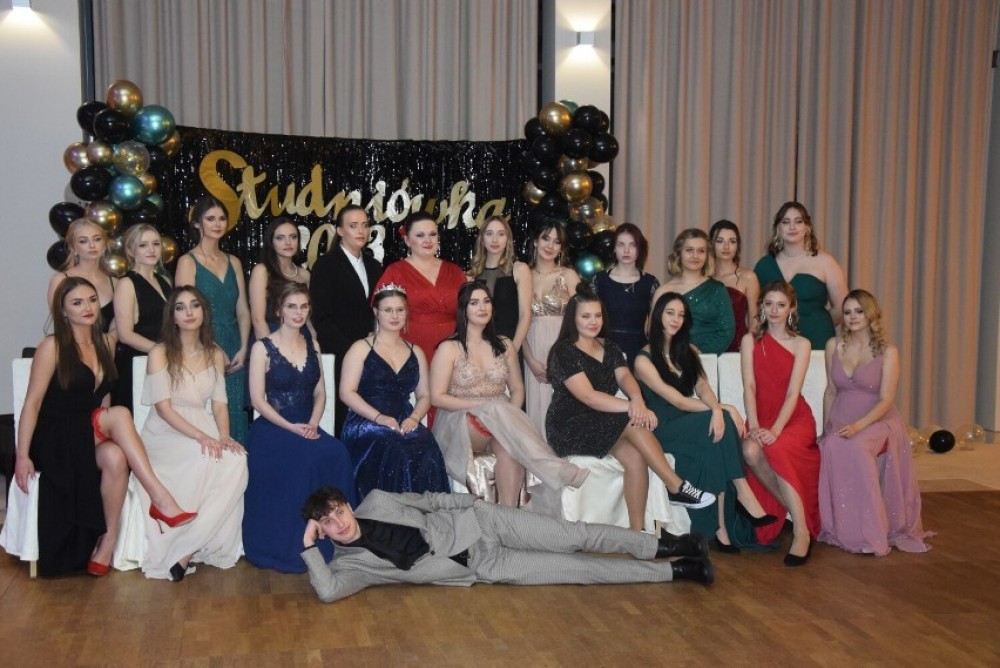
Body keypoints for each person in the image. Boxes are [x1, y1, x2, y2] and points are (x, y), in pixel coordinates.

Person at [14, 277, 194, 577]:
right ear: (63, 310)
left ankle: (106, 543)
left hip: (87, 433)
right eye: (77, 303)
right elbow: (31, 404)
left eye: (92, 300)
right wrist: (22, 456)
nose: (87, 307)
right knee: (120, 415)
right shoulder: (52, 346)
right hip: (55, 436)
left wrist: (109, 432)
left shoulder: (106, 343)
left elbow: (103, 398)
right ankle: (160, 497)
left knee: (116, 456)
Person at [300, 486, 714, 603]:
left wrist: (472, 502)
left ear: (348, 505)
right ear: (322, 530)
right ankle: (677, 570)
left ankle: (664, 545)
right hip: (486, 567)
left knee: (576, 536)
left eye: (338, 512)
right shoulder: (350, 565)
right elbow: (329, 592)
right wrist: (308, 546)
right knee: (580, 569)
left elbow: (428, 500)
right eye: (326, 523)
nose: (338, 523)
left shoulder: (377, 501)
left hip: (482, 523)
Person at [545, 285, 716, 531]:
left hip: (602, 420)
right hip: (570, 424)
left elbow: (625, 377)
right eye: (586, 316)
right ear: (573, 319)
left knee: (635, 457)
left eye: (598, 315)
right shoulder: (564, 351)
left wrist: (636, 399)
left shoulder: (609, 347)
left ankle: (636, 535)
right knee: (632, 420)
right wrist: (632, 407)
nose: (593, 322)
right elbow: (589, 397)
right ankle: (675, 486)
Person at [634, 292, 777, 553]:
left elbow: (702, 387)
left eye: (681, 315)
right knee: (721, 421)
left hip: (689, 421)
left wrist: (715, 408)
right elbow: (678, 401)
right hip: (663, 427)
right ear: (657, 316)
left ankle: (721, 529)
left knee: (716, 438)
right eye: (670, 313)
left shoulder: (686, 351)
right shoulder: (643, 359)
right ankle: (742, 493)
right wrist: (723, 408)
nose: (676, 319)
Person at [430, 281, 588, 506]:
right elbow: (437, 397)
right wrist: (486, 407)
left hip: (499, 420)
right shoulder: (449, 347)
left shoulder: (504, 344)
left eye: (486, 301)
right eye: (474, 303)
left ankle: (508, 516)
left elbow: (517, 389)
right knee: (496, 408)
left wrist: (507, 417)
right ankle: (552, 466)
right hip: (462, 420)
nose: (482, 307)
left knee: (509, 449)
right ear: (463, 310)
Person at [243, 282, 358, 572]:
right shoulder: (261, 347)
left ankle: (341, 538)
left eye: (304, 306)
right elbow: (258, 401)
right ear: (279, 310)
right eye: (292, 306)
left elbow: (320, 393)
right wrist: (291, 427)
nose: (298, 312)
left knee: (338, 453)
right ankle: (296, 543)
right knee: (304, 460)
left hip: (307, 424)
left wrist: (313, 423)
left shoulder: (313, 345)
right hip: (272, 427)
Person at [137, 286, 248, 581]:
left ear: (204, 312)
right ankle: (184, 547)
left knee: (237, 460)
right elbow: (163, 409)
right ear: (172, 316)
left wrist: (224, 436)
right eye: (181, 307)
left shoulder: (215, 353)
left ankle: (186, 548)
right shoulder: (160, 352)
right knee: (204, 458)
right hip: (165, 431)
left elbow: (220, 404)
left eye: (195, 305)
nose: (189, 312)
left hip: (205, 424)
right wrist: (202, 438)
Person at [818, 290, 932, 555]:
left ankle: (871, 532)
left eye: (859, 311)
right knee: (830, 446)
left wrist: (859, 427)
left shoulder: (888, 351)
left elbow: (886, 399)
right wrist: (825, 429)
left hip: (878, 420)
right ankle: (845, 529)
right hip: (842, 417)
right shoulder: (834, 346)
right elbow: (831, 391)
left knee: (857, 448)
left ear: (871, 314)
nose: (852, 317)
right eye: (847, 312)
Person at [339, 284, 451, 500]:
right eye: (388, 310)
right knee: (393, 446)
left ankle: (423, 514)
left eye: (400, 310)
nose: (394, 315)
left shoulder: (415, 351)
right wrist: (379, 417)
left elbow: (425, 395)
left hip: (405, 418)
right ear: (376, 312)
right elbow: (347, 392)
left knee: (427, 445)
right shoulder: (360, 348)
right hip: (365, 419)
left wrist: (415, 418)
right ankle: (388, 514)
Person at [740, 281, 821, 566]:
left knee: (776, 448)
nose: (774, 310)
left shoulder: (802, 344)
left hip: (793, 418)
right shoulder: (750, 340)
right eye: (769, 304)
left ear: (791, 309)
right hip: (761, 415)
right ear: (761, 307)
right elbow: (749, 386)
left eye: (781, 305)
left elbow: (792, 393)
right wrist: (754, 425)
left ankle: (801, 533)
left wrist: (775, 430)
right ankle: (797, 514)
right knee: (749, 450)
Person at [175, 195, 251, 444]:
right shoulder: (187, 262)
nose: (217, 224)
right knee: (209, 409)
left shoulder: (233, 262)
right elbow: (183, 311)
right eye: (210, 219)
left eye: (221, 219)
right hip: (202, 343)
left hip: (234, 343)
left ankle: (236, 463)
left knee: (234, 407)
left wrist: (244, 347)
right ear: (197, 223)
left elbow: (242, 309)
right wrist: (212, 346)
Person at [311, 204, 383, 437]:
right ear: (340, 231)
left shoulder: (374, 266)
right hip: (339, 353)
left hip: (372, 353)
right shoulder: (326, 265)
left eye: (365, 225)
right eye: (353, 226)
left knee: (371, 412)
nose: (361, 231)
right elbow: (322, 318)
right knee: (342, 416)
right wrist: (351, 350)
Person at [375, 211, 467, 367]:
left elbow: (468, 312)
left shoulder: (455, 271)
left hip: (453, 346)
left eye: (432, 234)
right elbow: (381, 315)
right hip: (410, 345)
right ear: (407, 240)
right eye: (420, 235)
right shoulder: (395, 272)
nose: (428, 240)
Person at [754, 201, 848, 349]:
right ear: (778, 228)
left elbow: (842, 308)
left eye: (798, 221)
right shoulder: (764, 266)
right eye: (786, 222)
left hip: (817, 341)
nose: (792, 227)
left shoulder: (826, 262)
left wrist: (816, 321)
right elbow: (755, 309)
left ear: (807, 227)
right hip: (775, 342)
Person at [522, 222, 580, 437]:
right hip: (531, 351)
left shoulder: (569, 275)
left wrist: (565, 357)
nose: (550, 246)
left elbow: (583, 318)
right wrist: (530, 360)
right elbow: (517, 323)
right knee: (535, 417)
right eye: (546, 238)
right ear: (535, 241)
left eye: (557, 242)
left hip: (563, 350)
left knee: (561, 414)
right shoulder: (523, 275)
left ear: (561, 248)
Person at [111, 224, 172, 411]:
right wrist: (161, 351)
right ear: (130, 251)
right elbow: (125, 335)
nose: (152, 250)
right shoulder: (127, 283)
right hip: (139, 364)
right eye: (143, 245)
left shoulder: (164, 281)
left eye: (156, 244)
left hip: (162, 363)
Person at [651, 228, 733, 355]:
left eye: (701, 251)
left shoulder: (717, 289)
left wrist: (700, 352)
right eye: (689, 250)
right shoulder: (663, 291)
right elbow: (654, 332)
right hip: (671, 358)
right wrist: (679, 350)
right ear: (679, 253)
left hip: (707, 360)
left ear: (707, 255)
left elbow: (727, 331)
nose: (695, 256)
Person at [591, 223, 660, 367]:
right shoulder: (599, 280)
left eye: (633, 245)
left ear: (640, 249)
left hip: (639, 351)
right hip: (603, 348)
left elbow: (656, 325)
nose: (626, 250)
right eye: (621, 244)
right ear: (614, 248)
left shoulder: (650, 283)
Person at [468, 215, 532, 351]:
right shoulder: (472, 275)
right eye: (489, 234)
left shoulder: (520, 269)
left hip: (510, 345)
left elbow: (525, 315)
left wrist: (513, 350)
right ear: (482, 240)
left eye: (501, 234)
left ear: (507, 239)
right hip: (479, 348)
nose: (495, 240)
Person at [47, 218, 117, 333]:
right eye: (83, 241)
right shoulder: (61, 280)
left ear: (105, 244)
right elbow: (60, 325)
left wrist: (110, 339)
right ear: (73, 248)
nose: (92, 245)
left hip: (111, 343)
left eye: (97, 239)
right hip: (76, 343)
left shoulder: (115, 282)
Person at [248, 217, 311, 339]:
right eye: (280, 238)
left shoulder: (305, 275)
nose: (288, 242)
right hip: (270, 336)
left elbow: (308, 318)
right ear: (271, 242)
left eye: (293, 237)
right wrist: (270, 348)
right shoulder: (262, 271)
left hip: (301, 338)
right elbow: (258, 320)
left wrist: (312, 339)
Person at [710, 220, 760, 352]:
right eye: (720, 241)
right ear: (711, 244)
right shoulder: (704, 278)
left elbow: (755, 319)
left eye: (732, 241)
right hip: (708, 347)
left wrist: (749, 345)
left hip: (738, 348)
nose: (726, 247)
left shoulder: (748, 277)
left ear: (738, 245)